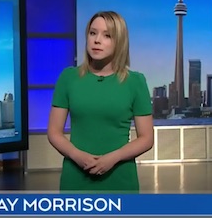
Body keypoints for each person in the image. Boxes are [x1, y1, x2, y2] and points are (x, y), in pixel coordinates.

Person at [47, 10, 154, 193]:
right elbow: (54, 132)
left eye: (107, 36)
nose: (97, 40)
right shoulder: (68, 78)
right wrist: (77, 155)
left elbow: (146, 138)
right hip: (76, 179)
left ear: (119, 41)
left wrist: (113, 158)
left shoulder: (135, 82)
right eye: (92, 33)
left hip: (120, 179)